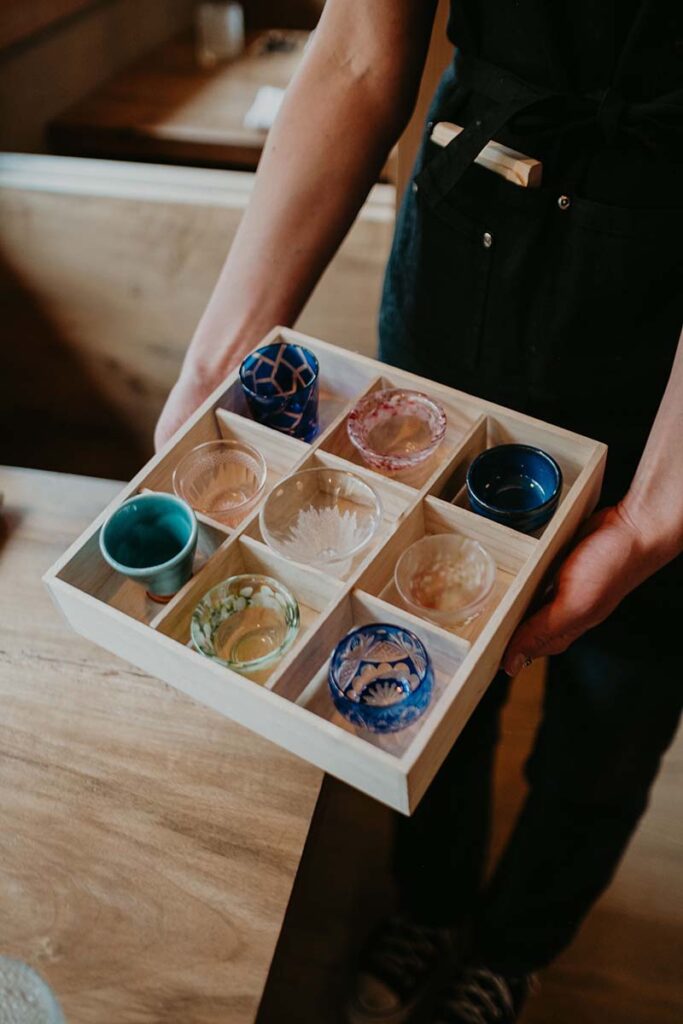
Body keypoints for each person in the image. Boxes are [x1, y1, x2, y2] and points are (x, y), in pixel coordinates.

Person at [155, 2, 682, 1021]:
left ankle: (514, 946)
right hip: (469, 239)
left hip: (661, 308)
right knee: (425, 648)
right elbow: (357, 48)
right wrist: (212, 363)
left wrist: (656, 514)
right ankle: (429, 904)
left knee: (619, 697)